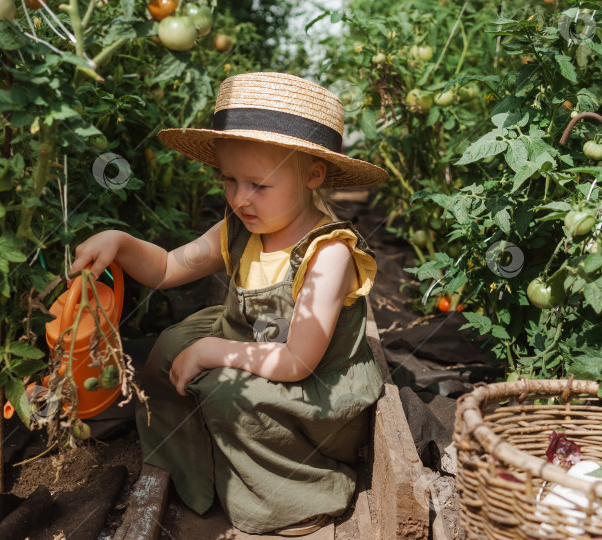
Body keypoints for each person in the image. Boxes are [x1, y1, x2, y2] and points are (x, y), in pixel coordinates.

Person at [70, 72, 388, 536]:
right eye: (229, 180)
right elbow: (165, 268)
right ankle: (192, 471)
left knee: (226, 392)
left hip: (311, 395)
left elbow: (298, 360)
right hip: (254, 346)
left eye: (259, 185)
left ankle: (297, 496)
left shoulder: (329, 254)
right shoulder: (240, 228)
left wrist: (209, 352)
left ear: (313, 174)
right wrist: (120, 242)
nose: (241, 198)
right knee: (169, 346)